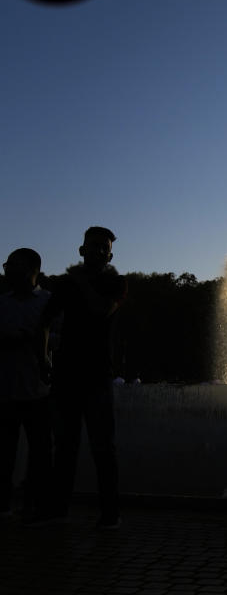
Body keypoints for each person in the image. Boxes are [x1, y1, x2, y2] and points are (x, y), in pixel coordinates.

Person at [43, 226, 127, 528]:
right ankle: (57, 510)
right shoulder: (67, 284)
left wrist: (79, 282)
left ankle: (110, 513)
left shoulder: (116, 283)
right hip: (66, 373)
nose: (98, 251)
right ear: (82, 250)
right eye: (93, 246)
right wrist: (44, 356)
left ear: (111, 254)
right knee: (64, 446)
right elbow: (46, 319)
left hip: (97, 375)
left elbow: (102, 311)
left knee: (103, 446)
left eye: (104, 248)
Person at [0, 248, 53, 518]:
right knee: (3, 453)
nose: (7, 270)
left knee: (40, 453)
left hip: (38, 391)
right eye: (7, 265)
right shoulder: (2, 302)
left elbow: (59, 338)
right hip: (5, 390)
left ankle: (34, 504)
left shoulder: (48, 301)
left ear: (32, 269)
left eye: (12, 265)